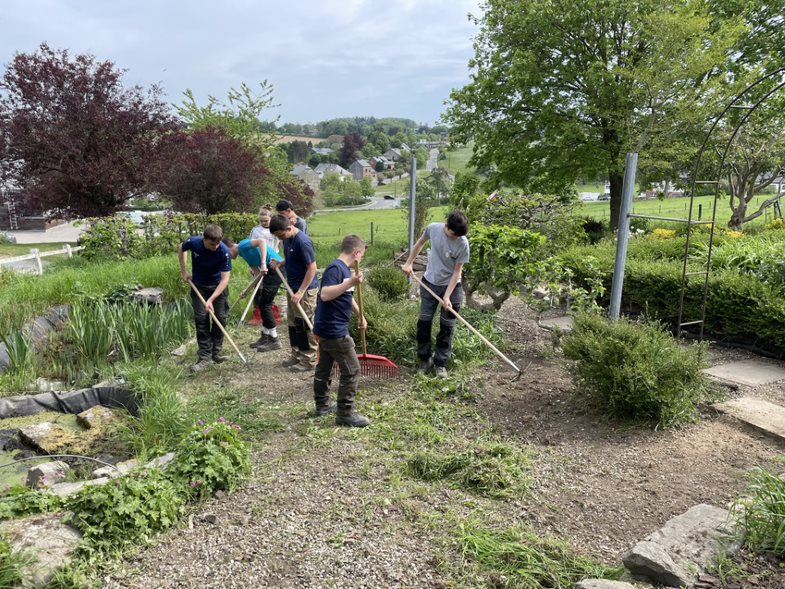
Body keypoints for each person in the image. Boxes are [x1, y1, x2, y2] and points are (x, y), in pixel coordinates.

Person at [401, 211, 470, 379]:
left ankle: (440, 363)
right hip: (430, 282)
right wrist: (409, 262)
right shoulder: (433, 229)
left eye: (459, 236)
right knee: (424, 323)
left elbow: (456, 272)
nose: (456, 238)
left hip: (452, 287)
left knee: (447, 327)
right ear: (447, 226)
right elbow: (420, 243)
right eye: (454, 235)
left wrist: (447, 296)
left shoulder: (463, 243)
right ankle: (424, 360)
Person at [312, 235, 371, 428]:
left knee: (325, 368)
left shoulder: (344, 270)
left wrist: (360, 315)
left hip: (327, 327)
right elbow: (326, 294)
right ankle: (345, 413)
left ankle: (322, 406)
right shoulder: (335, 268)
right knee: (352, 370)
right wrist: (350, 282)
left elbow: (346, 295)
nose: (360, 260)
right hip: (334, 329)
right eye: (361, 255)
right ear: (356, 253)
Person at [178, 224, 233, 373]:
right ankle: (205, 357)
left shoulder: (224, 252)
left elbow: (224, 280)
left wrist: (211, 299)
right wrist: (184, 271)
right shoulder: (194, 242)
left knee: (220, 318)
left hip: (218, 287)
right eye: (211, 244)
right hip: (199, 287)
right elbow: (181, 248)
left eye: (217, 243)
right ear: (204, 239)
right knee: (201, 320)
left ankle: (216, 353)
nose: (215, 247)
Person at [269, 214, 318, 372]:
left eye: (282, 235)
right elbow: (292, 258)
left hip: (305, 290)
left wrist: (301, 291)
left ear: (289, 227)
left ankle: (309, 360)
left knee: (304, 324)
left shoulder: (303, 242)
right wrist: (280, 262)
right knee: (293, 323)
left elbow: (312, 268)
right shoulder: (287, 239)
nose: (281, 238)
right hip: (292, 287)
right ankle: (296, 354)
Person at [224, 236, 285, 352]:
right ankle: (266, 337)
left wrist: (263, 263)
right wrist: (247, 291)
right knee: (260, 303)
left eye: (225, 252)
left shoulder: (242, 245)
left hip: (276, 268)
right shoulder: (243, 254)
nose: (227, 257)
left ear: (229, 247)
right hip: (268, 271)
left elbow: (262, 241)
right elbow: (257, 274)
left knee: (265, 304)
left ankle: (275, 340)